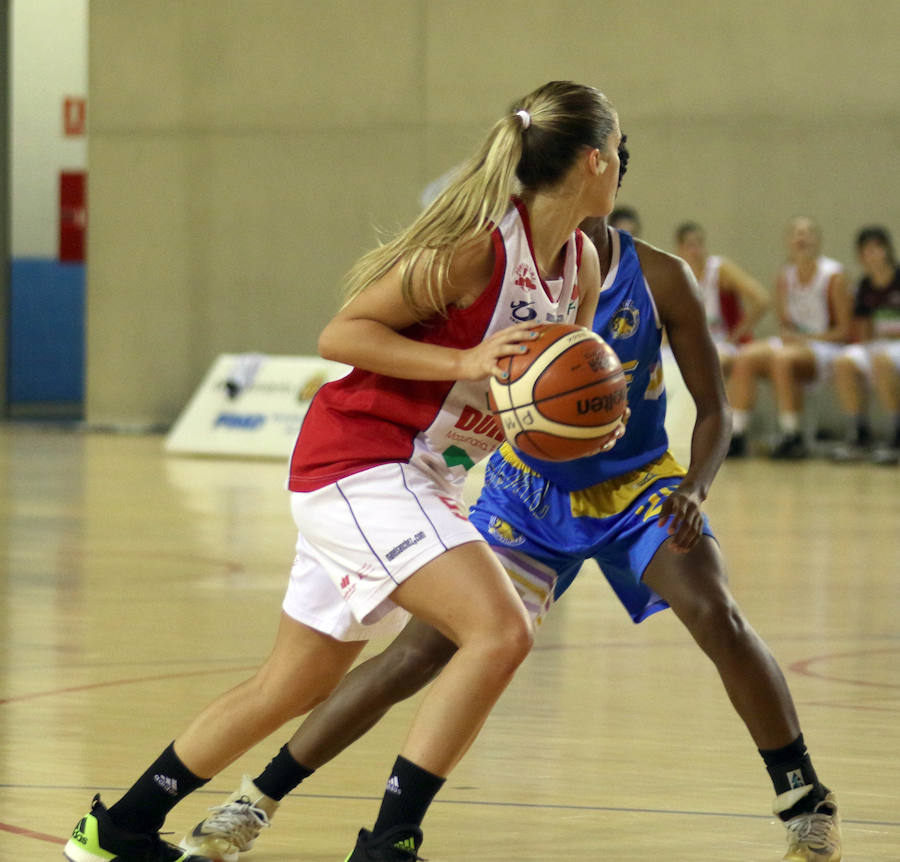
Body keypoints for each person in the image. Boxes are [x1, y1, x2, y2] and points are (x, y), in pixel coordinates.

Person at [63, 80, 623, 862]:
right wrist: (463, 357)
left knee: (288, 688)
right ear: (595, 160)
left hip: (424, 475)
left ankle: (115, 829)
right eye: (620, 150)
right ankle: (388, 845)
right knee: (498, 630)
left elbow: (544, 396)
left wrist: (579, 427)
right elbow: (343, 331)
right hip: (362, 460)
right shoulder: (478, 247)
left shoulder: (584, 263)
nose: (625, 164)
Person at [178, 216, 842, 862]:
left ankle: (805, 802)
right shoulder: (515, 272)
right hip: (527, 495)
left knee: (713, 612)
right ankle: (257, 800)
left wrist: (694, 489)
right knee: (418, 655)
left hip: (637, 486)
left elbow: (718, 410)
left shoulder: (662, 278)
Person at [727, 216, 852, 459]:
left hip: (827, 347)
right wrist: (792, 337)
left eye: (807, 233)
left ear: (818, 240)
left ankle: (792, 435)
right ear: (788, 241)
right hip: (796, 345)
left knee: (782, 359)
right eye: (796, 233)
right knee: (747, 355)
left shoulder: (834, 276)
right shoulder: (785, 276)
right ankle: (738, 434)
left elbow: (845, 331)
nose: (801, 238)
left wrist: (806, 339)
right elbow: (785, 325)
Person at [829, 225, 900, 464]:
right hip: (880, 346)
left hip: (896, 347)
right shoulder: (866, 286)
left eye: (876, 249)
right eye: (866, 251)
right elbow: (863, 328)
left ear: (887, 251)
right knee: (843, 361)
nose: (872, 255)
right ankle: (859, 433)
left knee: (882, 359)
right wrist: (867, 352)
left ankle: (896, 435)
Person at [674, 221, 770, 375]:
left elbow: (762, 299)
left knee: (705, 363)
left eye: (700, 243)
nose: (697, 250)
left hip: (725, 343)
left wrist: (735, 336)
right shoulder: (678, 278)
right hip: (698, 345)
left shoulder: (719, 270)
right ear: (679, 250)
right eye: (691, 245)